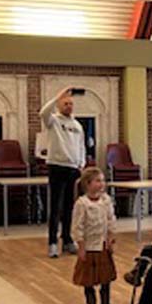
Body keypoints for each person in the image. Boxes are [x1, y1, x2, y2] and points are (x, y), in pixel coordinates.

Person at [41, 87, 86, 258]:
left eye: (71, 104)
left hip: (73, 168)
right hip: (57, 166)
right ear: (59, 105)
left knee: (69, 207)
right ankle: (52, 242)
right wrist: (58, 96)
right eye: (65, 103)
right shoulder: (53, 121)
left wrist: (81, 164)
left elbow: (81, 146)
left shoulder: (77, 125)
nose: (69, 106)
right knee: (56, 206)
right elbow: (43, 112)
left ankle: (67, 239)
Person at [70, 167, 118, 304]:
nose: (101, 184)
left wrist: (111, 237)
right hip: (89, 246)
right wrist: (81, 246)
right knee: (88, 279)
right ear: (88, 184)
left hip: (103, 245)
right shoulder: (82, 203)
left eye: (102, 181)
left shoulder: (106, 200)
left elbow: (111, 219)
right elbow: (77, 226)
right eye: (98, 181)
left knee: (106, 277)